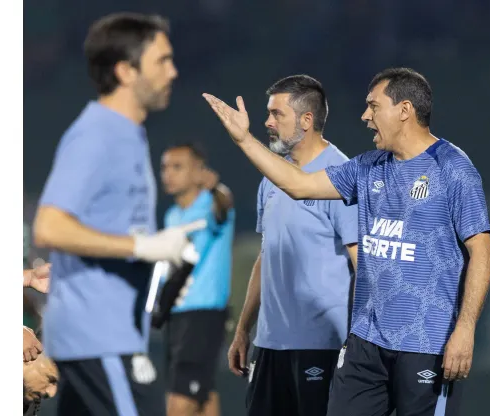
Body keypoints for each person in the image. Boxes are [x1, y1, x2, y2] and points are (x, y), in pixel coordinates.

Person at [205, 68, 490, 416]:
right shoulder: (367, 167)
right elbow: (299, 185)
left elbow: (483, 252)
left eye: (373, 106)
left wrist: (465, 330)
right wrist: (244, 140)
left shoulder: (452, 168)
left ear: (404, 110)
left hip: (426, 342)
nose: (365, 116)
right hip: (365, 344)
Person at [32, 12, 202, 415]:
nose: (173, 71)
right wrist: (143, 246)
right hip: (100, 337)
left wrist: (161, 264)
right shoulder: (98, 133)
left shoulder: (129, 133)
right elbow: (49, 225)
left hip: (107, 332)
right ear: (126, 71)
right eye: (162, 60)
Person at [225, 75, 359, 416]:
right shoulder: (272, 177)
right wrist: (244, 330)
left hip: (321, 345)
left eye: (276, 114)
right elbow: (265, 256)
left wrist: (358, 344)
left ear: (307, 120)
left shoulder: (340, 176)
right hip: (268, 345)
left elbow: (364, 266)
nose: (267, 122)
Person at [159, 143, 235, 416]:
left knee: (179, 403)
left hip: (203, 315)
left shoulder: (212, 203)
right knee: (202, 396)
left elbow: (225, 204)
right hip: (178, 316)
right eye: (165, 167)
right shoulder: (172, 216)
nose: (168, 174)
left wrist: (216, 188)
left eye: (177, 167)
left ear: (199, 171)